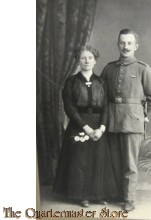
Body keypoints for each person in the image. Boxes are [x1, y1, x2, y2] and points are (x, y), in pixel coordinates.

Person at [101, 29, 151, 211]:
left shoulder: (143, 69)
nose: (125, 47)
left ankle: (129, 199)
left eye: (129, 43)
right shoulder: (109, 68)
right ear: (118, 44)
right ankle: (116, 193)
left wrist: (140, 113)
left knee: (129, 163)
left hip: (132, 123)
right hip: (112, 120)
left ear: (136, 46)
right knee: (113, 160)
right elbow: (102, 95)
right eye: (122, 43)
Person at [53, 45, 117, 207]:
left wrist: (101, 128)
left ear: (95, 60)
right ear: (78, 61)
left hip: (98, 126)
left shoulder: (101, 82)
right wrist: (86, 128)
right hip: (78, 125)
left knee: (98, 159)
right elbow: (70, 108)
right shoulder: (71, 82)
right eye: (83, 58)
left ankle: (98, 194)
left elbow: (106, 108)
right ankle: (81, 195)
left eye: (90, 57)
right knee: (80, 160)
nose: (87, 61)